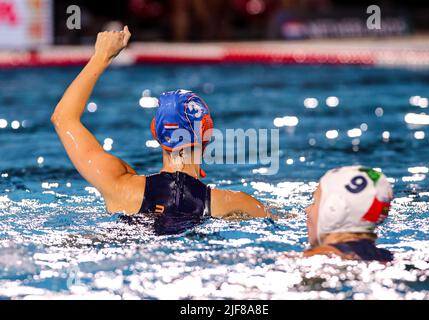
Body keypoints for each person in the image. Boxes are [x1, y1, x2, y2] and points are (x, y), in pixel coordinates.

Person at [51, 27, 270, 233]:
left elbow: (63, 118)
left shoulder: (119, 185)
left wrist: (102, 56)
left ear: (156, 132)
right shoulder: (236, 203)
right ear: (207, 136)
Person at [303, 166, 394, 262]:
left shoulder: (318, 258)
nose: (307, 210)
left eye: (314, 202)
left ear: (333, 209)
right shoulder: (389, 258)